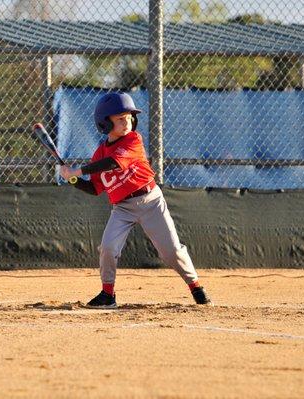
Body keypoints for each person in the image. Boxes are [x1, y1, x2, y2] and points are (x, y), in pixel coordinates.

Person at [59, 92, 212, 308]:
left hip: (150, 201)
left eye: (129, 116)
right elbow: (94, 188)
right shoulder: (98, 155)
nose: (127, 121)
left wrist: (78, 169)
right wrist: (72, 178)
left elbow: (113, 163)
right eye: (120, 118)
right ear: (105, 123)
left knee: (171, 252)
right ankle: (108, 294)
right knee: (108, 248)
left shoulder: (133, 140)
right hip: (122, 208)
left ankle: (196, 286)